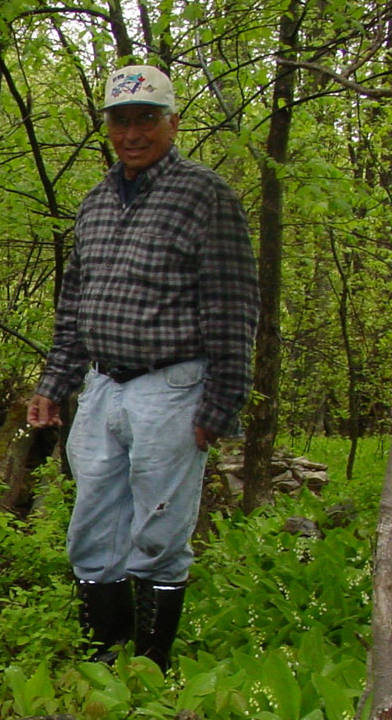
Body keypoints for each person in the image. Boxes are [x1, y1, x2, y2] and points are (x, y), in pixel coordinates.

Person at [26, 65, 258, 671]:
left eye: (146, 119)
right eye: (121, 120)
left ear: (172, 122)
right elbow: (74, 302)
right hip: (102, 386)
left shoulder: (206, 196)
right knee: (92, 529)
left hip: (174, 386)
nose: (132, 132)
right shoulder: (97, 202)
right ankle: (102, 663)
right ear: (107, 127)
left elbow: (234, 306)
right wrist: (55, 383)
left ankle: (148, 670)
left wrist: (221, 403)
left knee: (158, 534)